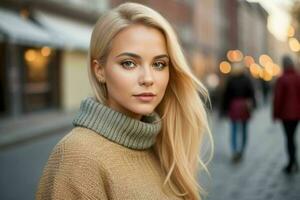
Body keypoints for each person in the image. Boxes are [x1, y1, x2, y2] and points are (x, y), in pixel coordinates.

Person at [36, 3, 213, 200]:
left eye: (158, 64)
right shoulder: (78, 156)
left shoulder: (163, 147)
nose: (148, 78)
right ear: (99, 70)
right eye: (129, 63)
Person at [221, 63, 256, 162]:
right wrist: (253, 105)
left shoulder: (230, 80)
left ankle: (234, 150)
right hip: (244, 106)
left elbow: (226, 96)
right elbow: (252, 93)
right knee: (244, 129)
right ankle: (242, 150)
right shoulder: (247, 80)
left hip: (233, 106)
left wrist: (224, 110)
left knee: (234, 130)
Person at [273, 55, 300, 174]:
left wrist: (275, 114)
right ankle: (294, 161)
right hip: (297, 114)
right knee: (292, 137)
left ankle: (291, 162)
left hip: (285, 115)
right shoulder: (298, 77)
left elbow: (278, 99)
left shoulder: (282, 79)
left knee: (289, 138)